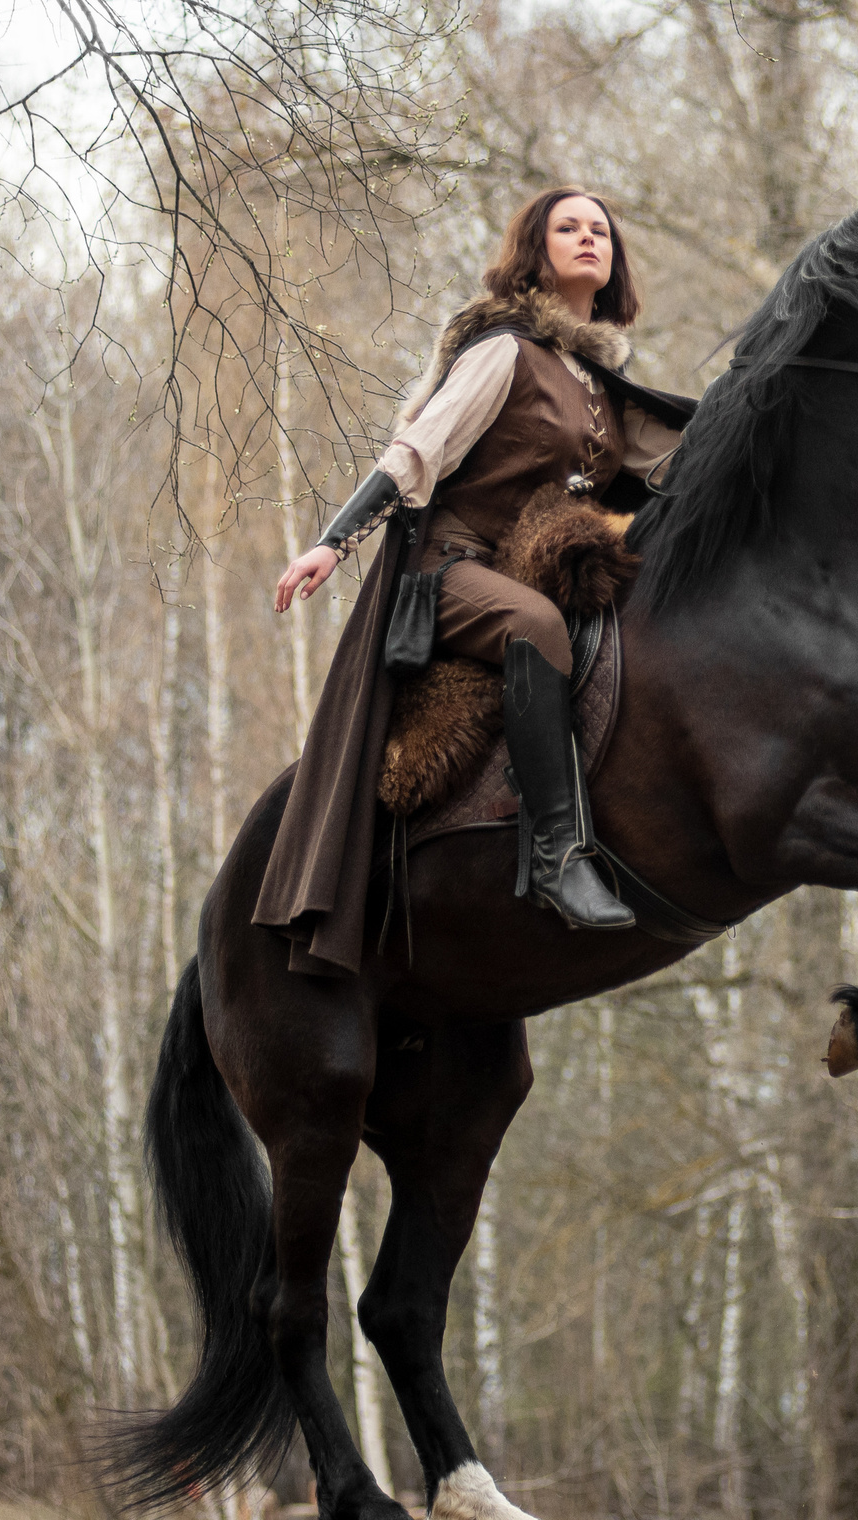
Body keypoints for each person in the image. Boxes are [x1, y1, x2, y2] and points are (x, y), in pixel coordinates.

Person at [255, 188, 694, 970]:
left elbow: (678, 461)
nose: (589, 238)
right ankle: (558, 856)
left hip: (526, 572)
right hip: (446, 571)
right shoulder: (504, 351)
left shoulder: (598, 385)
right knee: (538, 627)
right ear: (537, 248)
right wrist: (333, 541)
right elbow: (419, 451)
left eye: (601, 230)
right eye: (569, 228)